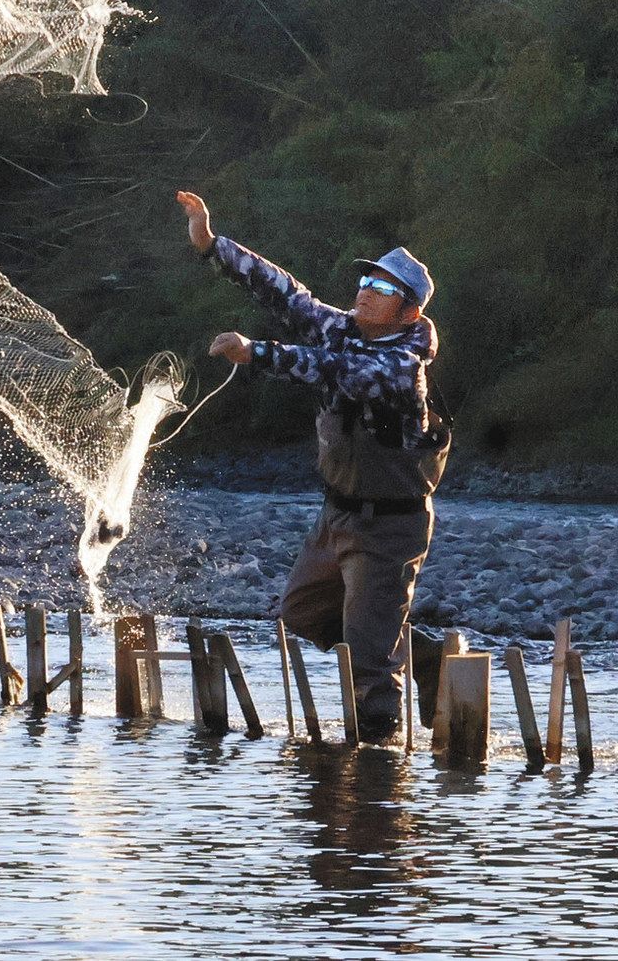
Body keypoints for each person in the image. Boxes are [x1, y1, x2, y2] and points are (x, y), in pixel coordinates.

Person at [176, 190, 449, 742]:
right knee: (300, 612)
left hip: (389, 526)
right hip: (336, 518)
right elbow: (285, 291)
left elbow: (332, 370)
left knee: (370, 676)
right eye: (366, 283)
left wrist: (259, 354)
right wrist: (210, 244)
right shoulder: (342, 326)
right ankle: (421, 655)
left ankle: (378, 777)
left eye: (382, 289)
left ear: (409, 310)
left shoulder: (402, 365)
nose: (365, 293)